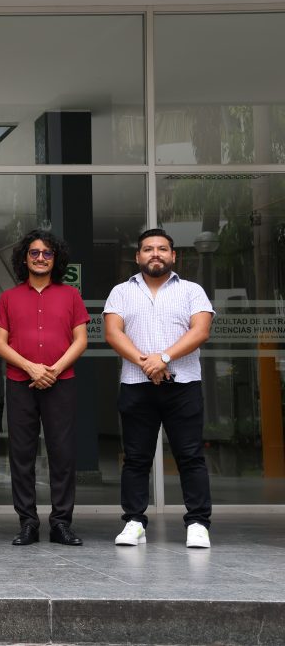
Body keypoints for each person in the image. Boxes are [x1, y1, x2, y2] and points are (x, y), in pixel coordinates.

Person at [104, 228, 215, 548]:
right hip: (137, 385)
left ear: (173, 255)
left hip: (183, 385)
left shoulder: (192, 291)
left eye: (162, 249)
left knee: (190, 456)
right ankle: (134, 522)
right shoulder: (121, 292)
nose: (156, 253)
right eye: (148, 249)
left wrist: (163, 358)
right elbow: (113, 333)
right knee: (136, 458)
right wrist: (147, 363)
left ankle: (198, 523)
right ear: (137, 256)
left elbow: (200, 331)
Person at [0, 230, 89, 546]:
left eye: (47, 253)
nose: (41, 258)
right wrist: (31, 367)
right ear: (25, 258)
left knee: (62, 454)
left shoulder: (70, 295)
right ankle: (28, 524)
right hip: (20, 383)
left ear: (55, 259)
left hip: (62, 383)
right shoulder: (9, 298)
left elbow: (81, 340)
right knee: (22, 455)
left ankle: (61, 524)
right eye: (34, 253)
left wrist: (54, 370)